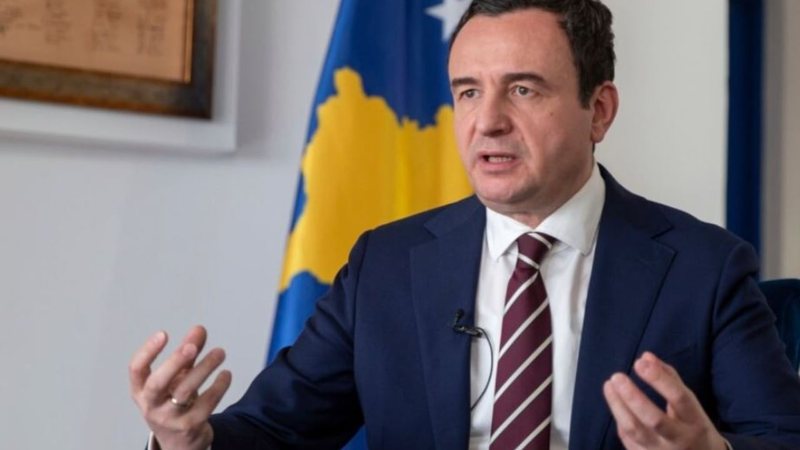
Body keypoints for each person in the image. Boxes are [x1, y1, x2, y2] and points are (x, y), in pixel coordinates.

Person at [129, 1, 800, 449]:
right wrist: (186, 440)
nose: (488, 121)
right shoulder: (386, 265)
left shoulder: (704, 268)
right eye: (468, 92)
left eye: (523, 89)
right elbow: (274, 432)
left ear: (598, 111)